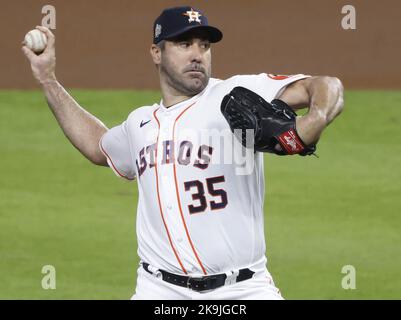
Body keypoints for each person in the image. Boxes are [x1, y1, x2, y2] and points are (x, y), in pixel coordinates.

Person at [22, 6, 344, 300]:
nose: (197, 55)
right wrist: (48, 79)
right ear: (156, 52)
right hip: (158, 291)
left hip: (244, 291)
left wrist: (314, 120)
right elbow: (98, 146)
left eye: (204, 45)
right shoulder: (140, 124)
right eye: (183, 44)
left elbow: (324, 85)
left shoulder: (233, 95)